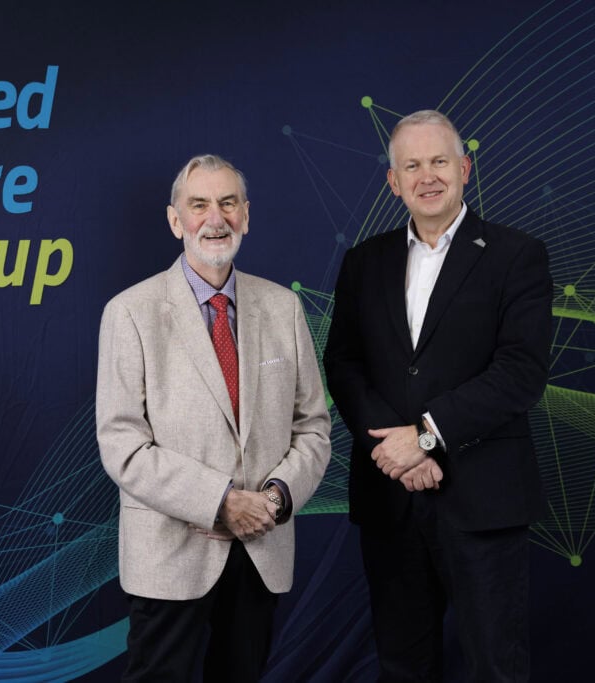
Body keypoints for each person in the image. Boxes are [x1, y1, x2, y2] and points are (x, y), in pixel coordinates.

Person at [324, 110, 552, 682]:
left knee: (496, 667)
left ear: (465, 169)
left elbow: (521, 372)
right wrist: (395, 452)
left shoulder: (517, 255)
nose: (427, 176)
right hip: (390, 498)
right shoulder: (363, 262)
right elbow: (344, 364)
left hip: (483, 500)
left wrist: (425, 437)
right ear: (392, 181)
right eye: (412, 165)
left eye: (439, 162)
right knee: (402, 666)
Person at [96, 154, 331, 682]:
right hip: (170, 554)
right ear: (175, 220)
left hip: (261, 547)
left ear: (246, 215)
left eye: (227, 203)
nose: (215, 218)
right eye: (198, 205)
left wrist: (275, 499)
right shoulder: (130, 312)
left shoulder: (283, 308)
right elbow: (122, 445)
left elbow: (313, 427)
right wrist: (220, 501)